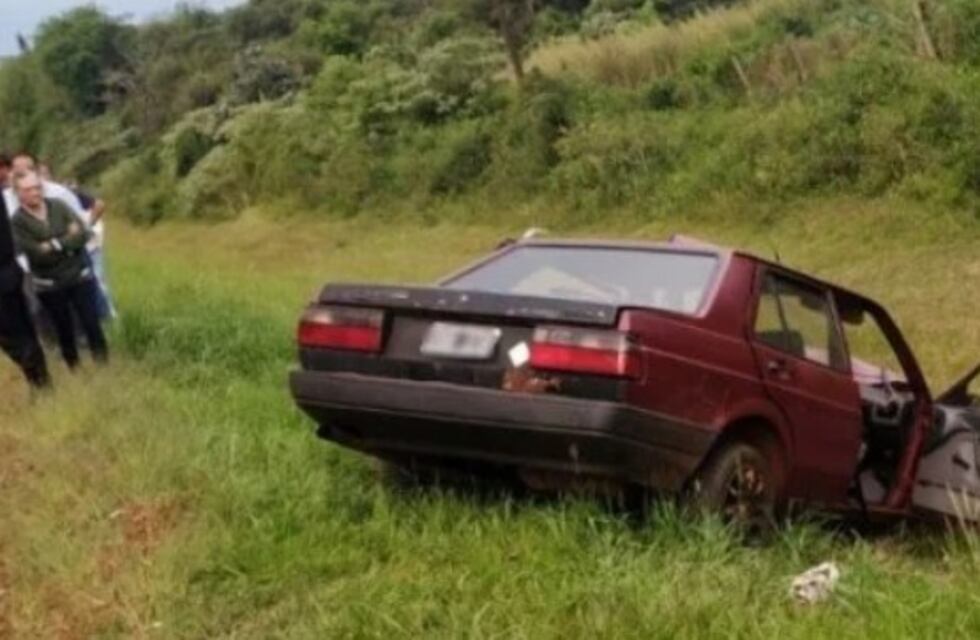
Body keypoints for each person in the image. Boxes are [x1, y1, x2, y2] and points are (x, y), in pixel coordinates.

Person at [10, 170, 108, 369]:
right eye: (28, 189)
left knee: (92, 323)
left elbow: (82, 234)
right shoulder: (17, 222)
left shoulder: (59, 206)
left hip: (80, 275)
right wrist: (66, 239)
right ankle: (74, 369)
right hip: (50, 284)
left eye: (37, 187)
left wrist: (52, 244)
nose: (35, 193)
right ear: (18, 193)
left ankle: (104, 366)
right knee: (64, 329)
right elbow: (36, 253)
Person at [0, 179, 51, 389]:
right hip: (7, 274)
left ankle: (40, 383)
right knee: (19, 332)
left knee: (15, 334)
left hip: (3, 277)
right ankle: (40, 382)